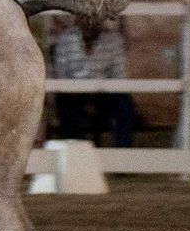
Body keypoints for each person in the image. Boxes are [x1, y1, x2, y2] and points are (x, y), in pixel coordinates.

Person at [50, 19, 135, 147]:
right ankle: (75, 152)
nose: (90, 22)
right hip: (74, 93)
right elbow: (62, 75)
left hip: (103, 93)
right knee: (65, 104)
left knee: (124, 103)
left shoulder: (112, 40)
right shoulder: (66, 39)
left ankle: (123, 153)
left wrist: (100, 89)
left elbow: (118, 76)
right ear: (79, 20)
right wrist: (79, 92)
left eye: (94, 18)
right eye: (85, 18)